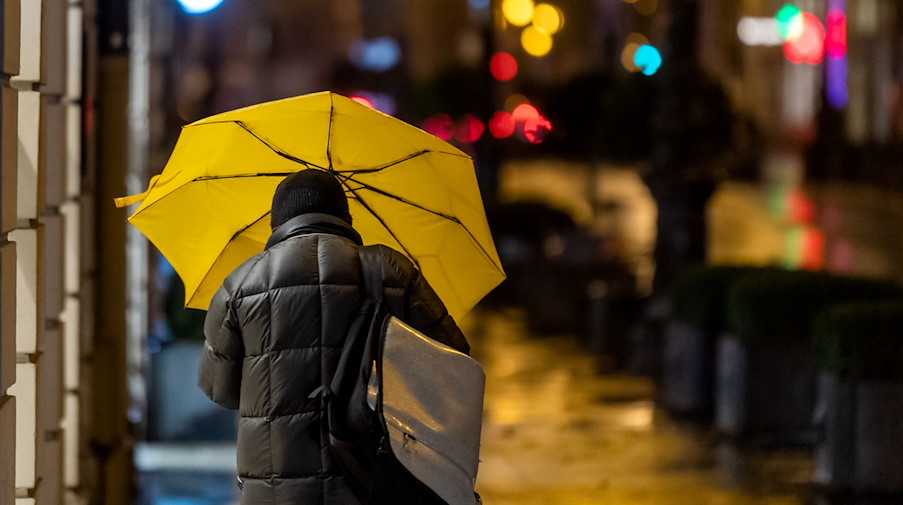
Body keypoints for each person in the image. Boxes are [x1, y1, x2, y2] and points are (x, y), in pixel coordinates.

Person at [198, 169, 469, 504]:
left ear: (276, 224)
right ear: (347, 218)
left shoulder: (240, 285)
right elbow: (453, 361)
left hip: (275, 490)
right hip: (371, 481)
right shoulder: (391, 271)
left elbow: (220, 390)